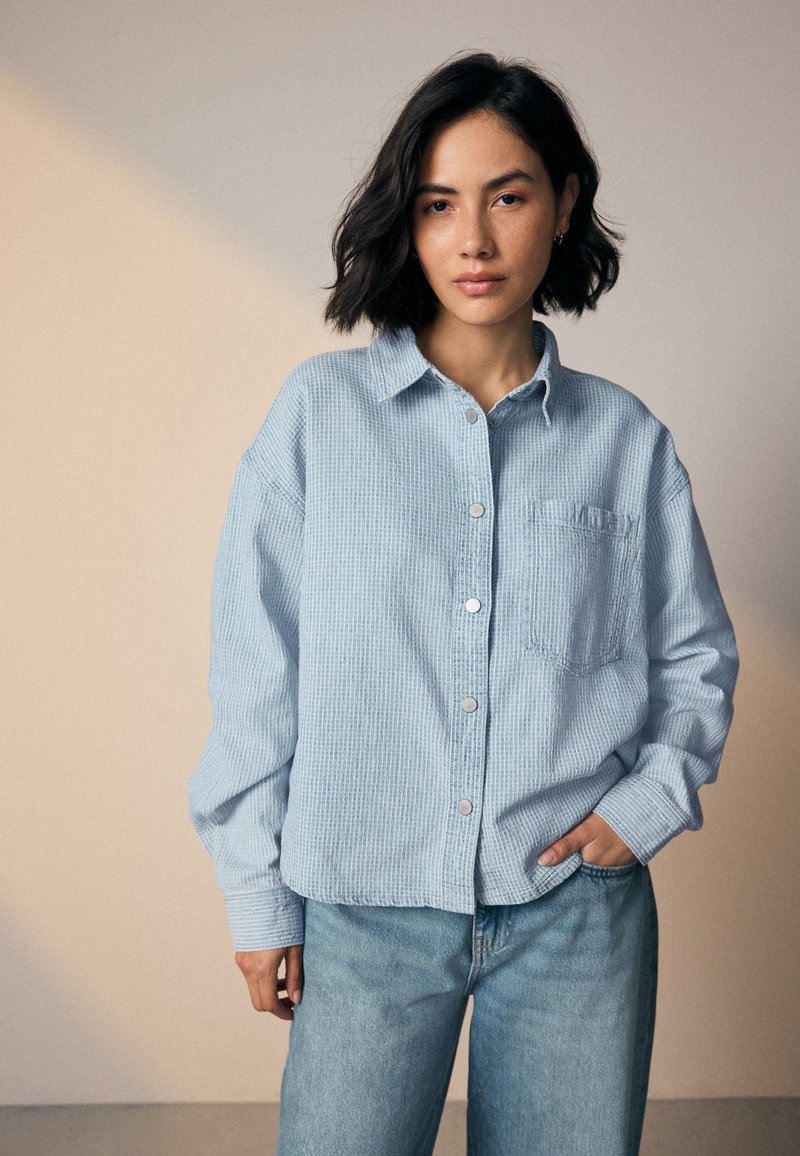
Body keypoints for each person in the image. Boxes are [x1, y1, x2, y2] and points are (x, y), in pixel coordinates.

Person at [187, 50, 740, 1156]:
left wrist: (641, 811)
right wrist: (258, 897)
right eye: (439, 204)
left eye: (507, 196)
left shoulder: (624, 442)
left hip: (574, 917)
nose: (473, 240)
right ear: (409, 216)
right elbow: (259, 667)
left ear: (562, 202)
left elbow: (694, 659)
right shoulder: (318, 418)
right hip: (363, 910)